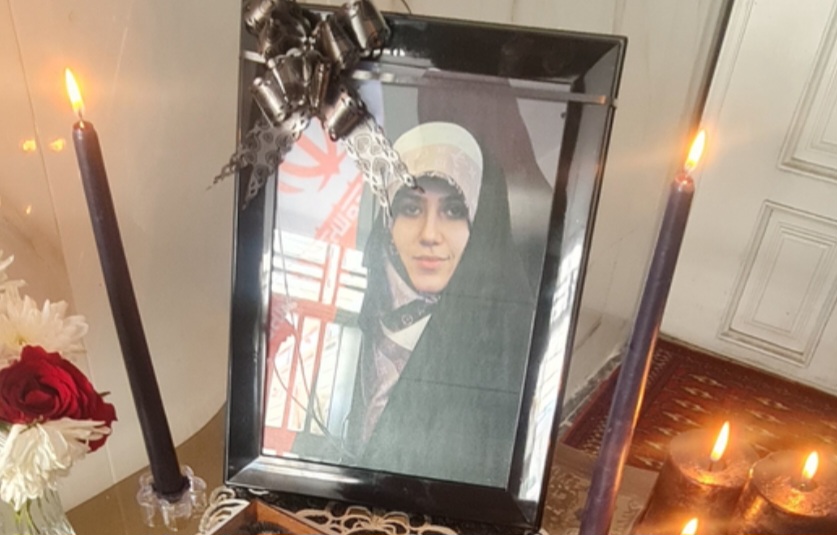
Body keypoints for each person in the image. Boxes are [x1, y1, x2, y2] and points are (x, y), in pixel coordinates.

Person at [345, 121, 536, 486]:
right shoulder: (373, 312)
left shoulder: (502, 345)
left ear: (479, 221)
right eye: (410, 208)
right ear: (387, 219)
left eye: (452, 211)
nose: (430, 235)